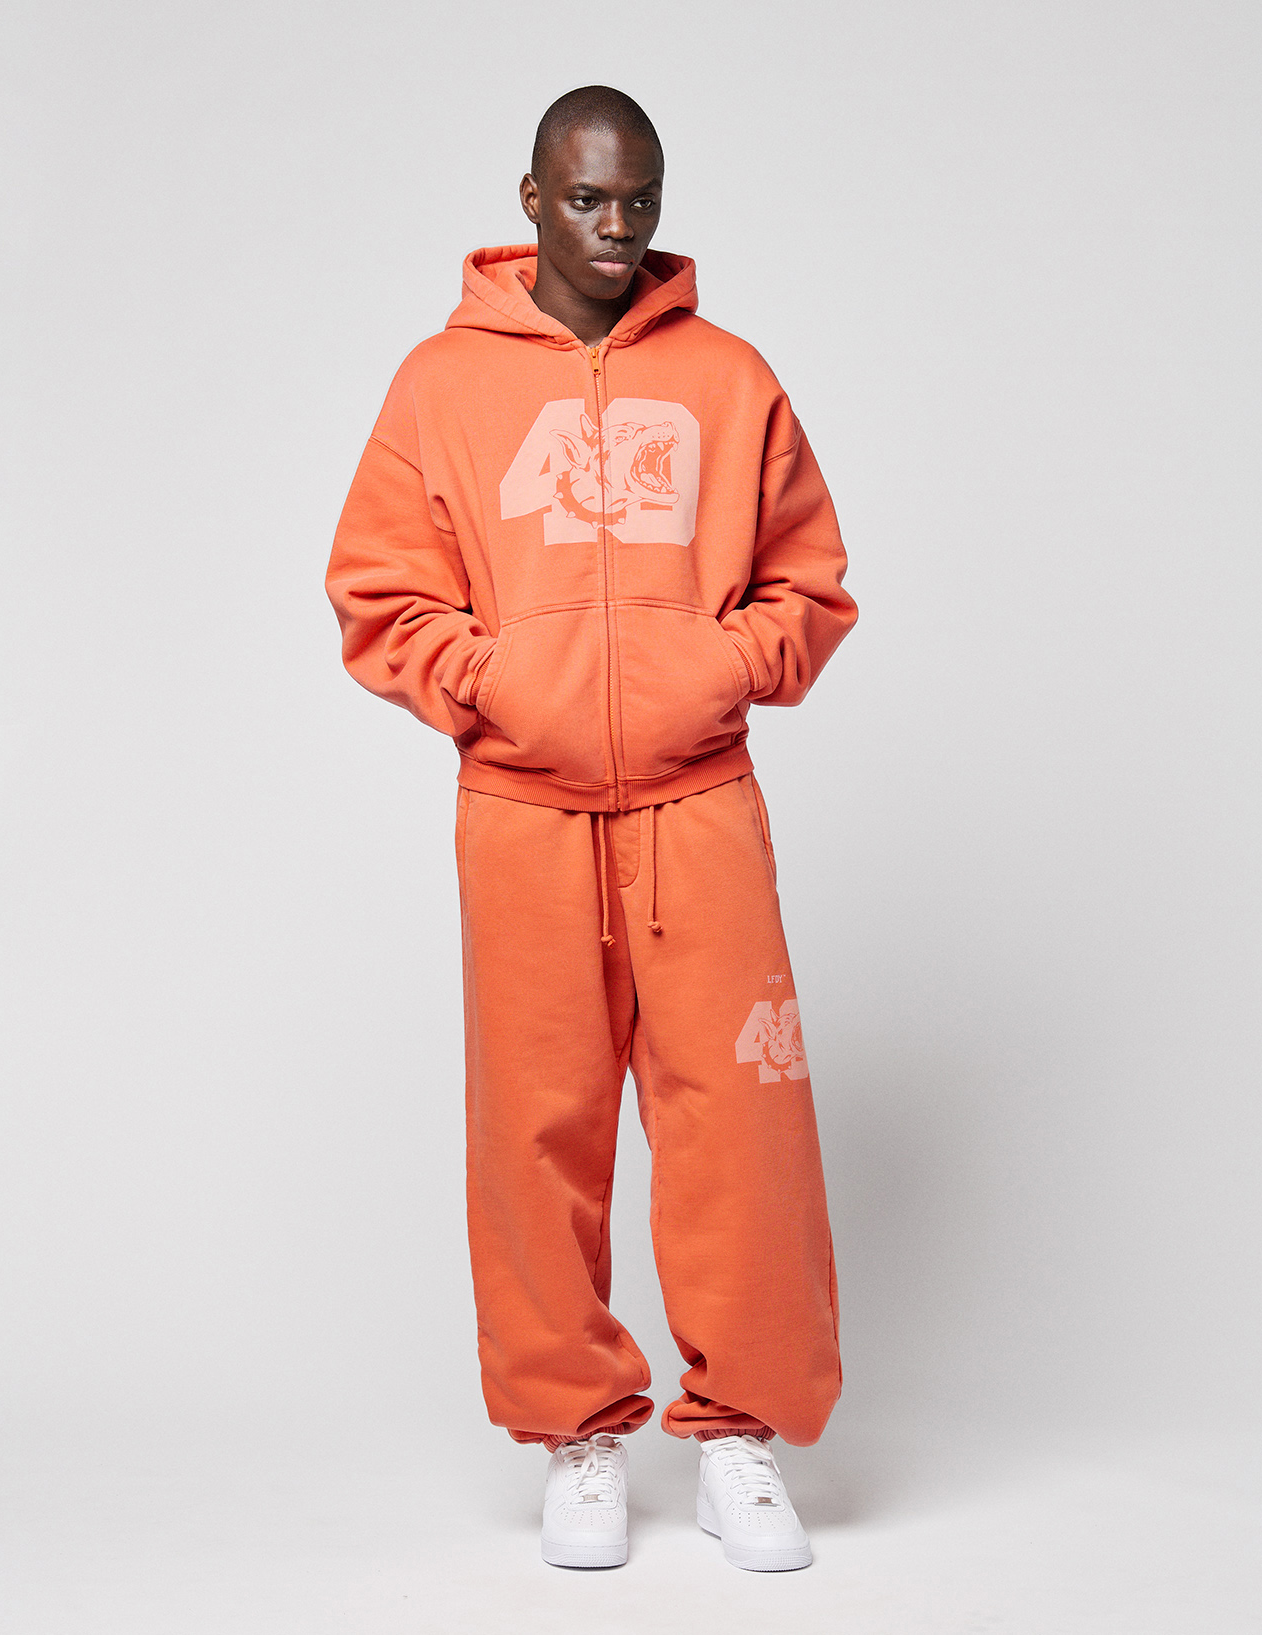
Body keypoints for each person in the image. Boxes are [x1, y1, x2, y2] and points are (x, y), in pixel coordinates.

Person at [325, 85, 857, 1573]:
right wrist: (493, 686)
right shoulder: (440, 382)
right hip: (521, 809)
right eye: (585, 200)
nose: (615, 228)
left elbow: (808, 584)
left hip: (699, 801)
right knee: (535, 1128)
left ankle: (741, 1433)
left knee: (738, 1126)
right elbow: (378, 591)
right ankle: (578, 1437)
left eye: (638, 201)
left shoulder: (730, 377)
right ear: (531, 200)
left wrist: (719, 669)